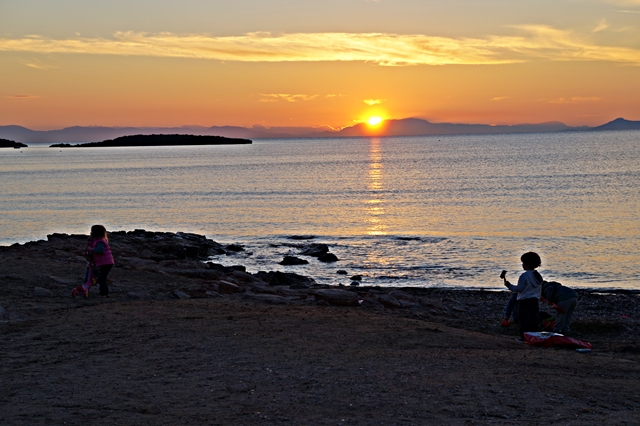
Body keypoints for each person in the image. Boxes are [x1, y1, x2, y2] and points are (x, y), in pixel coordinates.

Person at [502, 252, 543, 340]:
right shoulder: (538, 276)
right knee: (534, 320)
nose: (522, 265)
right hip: (535, 301)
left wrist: (508, 285)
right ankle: (534, 337)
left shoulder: (524, 276)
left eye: (523, 263)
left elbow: (519, 289)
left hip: (524, 302)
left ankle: (524, 338)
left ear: (527, 264)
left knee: (524, 320)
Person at [72, 225, 114, 298]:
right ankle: (105, 293)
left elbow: (100, 250)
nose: (90, 232)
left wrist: (92, 249)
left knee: (102, 278)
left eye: (92, 231)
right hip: (102, 262)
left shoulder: (100, 241)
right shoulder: (94, 241)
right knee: (101, 277)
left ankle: (103, 294)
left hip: (106, 263)